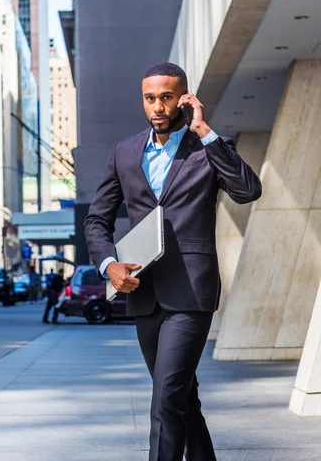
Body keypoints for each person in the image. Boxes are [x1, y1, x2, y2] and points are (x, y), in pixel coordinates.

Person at [84, 63, 262, 461]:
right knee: (181, 398)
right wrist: (108, 264)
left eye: (166, 97)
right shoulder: (124, 152)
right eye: (150, 98)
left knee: (165, 398)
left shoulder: (209, 148)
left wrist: (205, 132)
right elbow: (97, 219)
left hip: (191, 292)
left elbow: (248, 191)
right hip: (143, 292)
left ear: (184, 98)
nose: (158, 107)